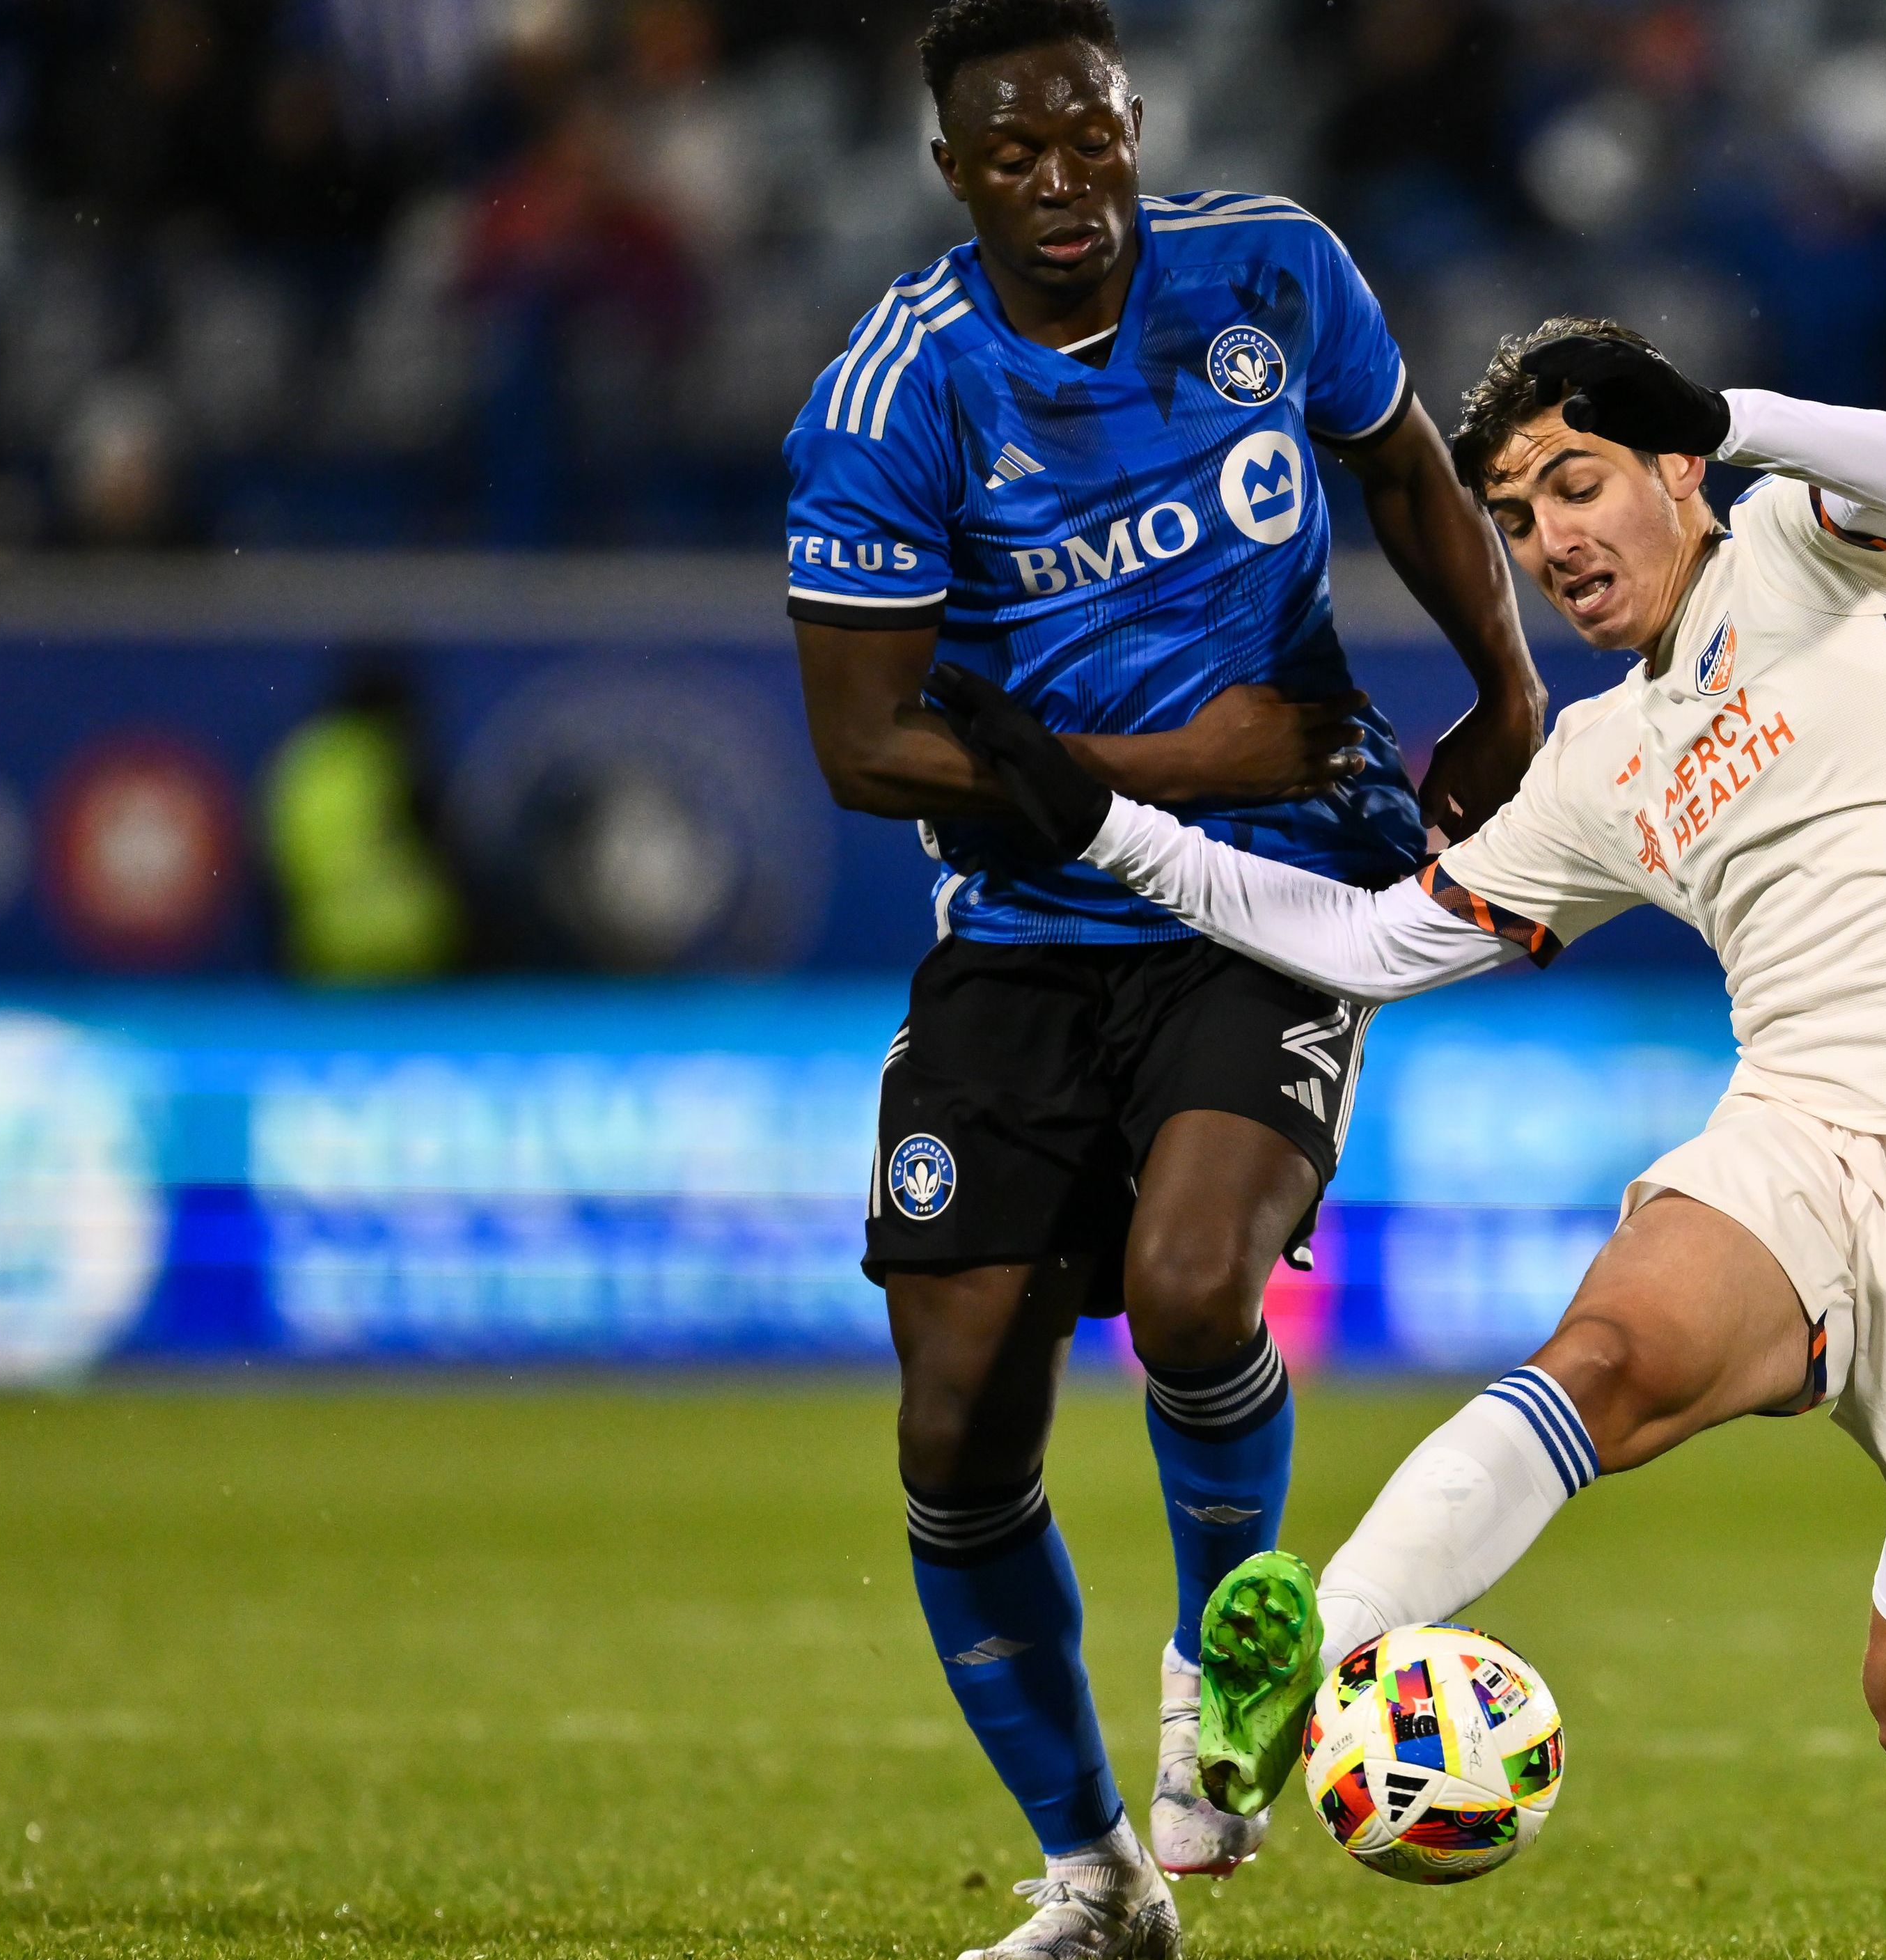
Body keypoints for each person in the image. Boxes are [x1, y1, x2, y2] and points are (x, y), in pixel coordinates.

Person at [929, 320, 1886, 1960]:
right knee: (1604, 1351)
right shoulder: (1599, 761)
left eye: (1578, 486)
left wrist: (1734, 413)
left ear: (1676, 471)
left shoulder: (1818, 550)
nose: (1552, 543)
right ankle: (1317, 1643)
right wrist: (1105, 825)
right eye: (1519, 520)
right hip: (1803, 1126)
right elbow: (1370, 942)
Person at [781, 3, 1544, 1957]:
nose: (1063, 183)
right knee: (954, 1421)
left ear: (1133, 124)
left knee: (1196, 1286)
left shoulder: (1272, 273)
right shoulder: (894, 398)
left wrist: (1506, 688)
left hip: (1279, 889)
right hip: (1026, 927)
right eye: (1012, 155)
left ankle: (1223, 1681)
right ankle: (1097, 1883)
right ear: (951, 171)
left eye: (1089, 138)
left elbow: (1407, 474)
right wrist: (1173, 762)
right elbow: (862, 747)